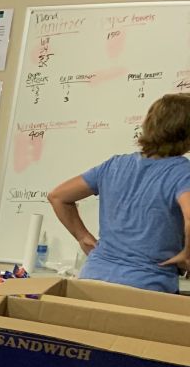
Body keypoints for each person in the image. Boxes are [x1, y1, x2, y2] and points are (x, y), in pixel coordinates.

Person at [48, 93, 190, 293]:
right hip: (146, 288)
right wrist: (187, 255)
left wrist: (82, 237)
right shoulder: (182, 171)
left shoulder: (114, 165)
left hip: (92, 280)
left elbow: (58, 196)